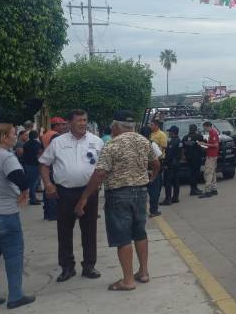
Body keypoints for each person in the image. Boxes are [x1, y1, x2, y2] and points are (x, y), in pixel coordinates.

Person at [74, 110, 160, 291]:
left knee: (122, 237)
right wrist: (151, 178)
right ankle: (143, 272)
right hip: (140, 193)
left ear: (116, 126)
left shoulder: (112, 145)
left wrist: (84, 197)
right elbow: (156, 163)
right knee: (140, 232)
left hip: (119, 194)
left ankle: (128, 281)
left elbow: (100, 173)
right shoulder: (144, 141)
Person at [39, 109, 103, 282]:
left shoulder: (96, 141)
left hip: (89, 192)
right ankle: (67, 267)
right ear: (69, 123)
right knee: (64, 231)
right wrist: (48, 184)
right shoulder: (58, 142)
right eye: (79, 120)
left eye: (85, 120)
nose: (83, 123)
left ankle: (89, 266)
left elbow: (103, 167)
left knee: (89, 230)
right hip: (65, 192)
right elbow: (44, 164)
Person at [0, 123, 35, 309]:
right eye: (14, 134)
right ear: (4, 137)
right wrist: (25, 191)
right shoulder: (5, 157)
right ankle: (15, 295)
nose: (16, 136)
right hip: (4, 213)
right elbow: (20, 178)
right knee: (13, 255)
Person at [148, 121, 168, 215]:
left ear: (156, 125)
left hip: (157, 160)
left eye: (151, 124)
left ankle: (153, 208)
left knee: (156, 186)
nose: (150, 126)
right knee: (154, 187)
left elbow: (163, 147)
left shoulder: (161, 134)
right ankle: (153, 209)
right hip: (151, 163)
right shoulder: (151, 136)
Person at [21, 131, 43, 205]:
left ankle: (30, 197)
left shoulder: (26, 144)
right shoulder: (37, 144)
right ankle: (32, 199)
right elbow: (39, 154)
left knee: (29, 182)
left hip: (27, 165)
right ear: (36, 136)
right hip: (34, 165)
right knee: (33, 183)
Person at [160, 126, 181, 206]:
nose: (169, 133)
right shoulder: (179, 140)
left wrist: (165, 164)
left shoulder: (172, 141)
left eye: (170, 132)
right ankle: (175, 197)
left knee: (167, 182)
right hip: (177, 163)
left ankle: (168, 199)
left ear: (173, 132)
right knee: (176, 181)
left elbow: (169, 155)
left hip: (171, 164)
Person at [198, 121, 219, 199]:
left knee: (207, 173)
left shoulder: (213, 133)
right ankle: (214, 189)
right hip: (211, 155)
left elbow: (215, 144)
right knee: (212, 172)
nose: (204, 129)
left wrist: (204, 144)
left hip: (211, 156)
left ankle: (208, 191)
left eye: (204, 127)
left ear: (208, 126)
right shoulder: (211, 133)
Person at [182, 124, 204, 196]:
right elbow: (203, 146)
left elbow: (183, 148)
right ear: (195, 129)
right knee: (195, 173)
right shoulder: (199, 137)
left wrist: (184, 156)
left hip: (189, 158)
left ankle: (194, 188)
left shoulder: (185, 138)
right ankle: (194, 189)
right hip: (196, 158)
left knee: (191, 173)